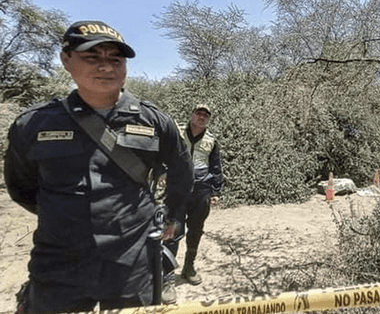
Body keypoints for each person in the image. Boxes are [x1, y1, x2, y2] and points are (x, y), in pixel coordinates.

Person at [3, 20, 194, 313]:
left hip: (132, 259)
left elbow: (182, 172)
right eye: (92, 58)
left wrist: (173, 215)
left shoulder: (154, 121)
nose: (106, 67)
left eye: (115, 59)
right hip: (58, 261)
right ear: (66, 59)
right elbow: (21, 186)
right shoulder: (33, 124)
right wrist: (64, 215)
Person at [162, 103, 224, 304]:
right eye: (198, 113)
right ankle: (167, 278)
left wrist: (215, 190)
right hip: (177, 189)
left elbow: (216, 165)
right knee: (171, 231)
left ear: (208, 119)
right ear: (191, 114)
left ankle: (189, 268)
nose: (201, 117)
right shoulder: (177, 133)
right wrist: (161, 170)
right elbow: (162, 152)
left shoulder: (211, 140)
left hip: (201, 190)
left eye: (205, 115)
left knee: (196, 229)